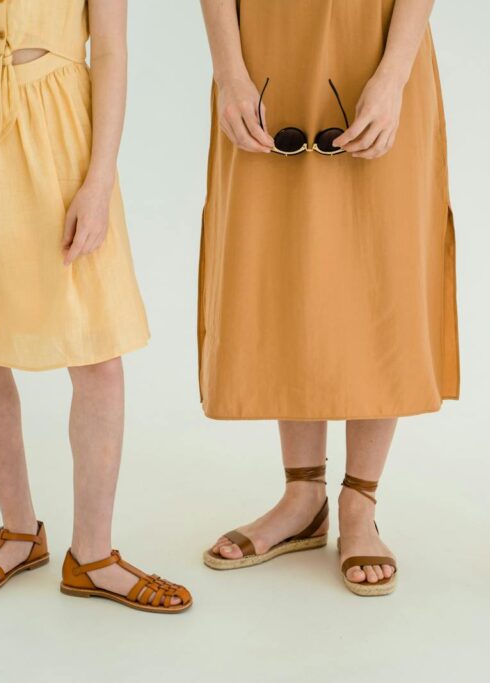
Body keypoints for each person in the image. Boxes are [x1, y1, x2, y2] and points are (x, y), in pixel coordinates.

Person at [0, 0, 190, 613]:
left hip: (61, 141)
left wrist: (100, 179)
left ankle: (94, 555)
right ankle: (19, 532)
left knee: (97, 349)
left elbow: (109, 48)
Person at [198, 0, 458, 596]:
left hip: (380, 48)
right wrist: (229, 72)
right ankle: (302, 496)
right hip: (265, 55)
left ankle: (359, 502)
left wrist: (393, 78)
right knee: (287, 265)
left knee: (380, 267)